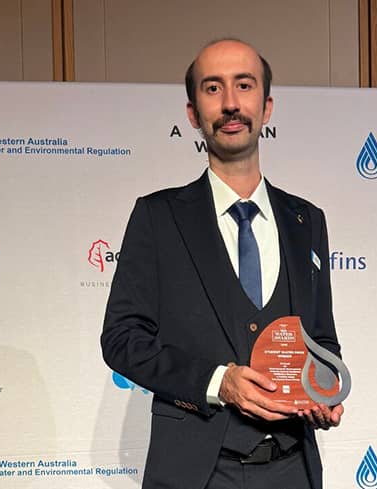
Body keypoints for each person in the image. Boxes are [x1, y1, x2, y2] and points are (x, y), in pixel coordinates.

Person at [101, 38, 344, 489]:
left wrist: (323, 392)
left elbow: (321, 337)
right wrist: (218, 382)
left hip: (294, 469)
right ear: (193, 114)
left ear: (266, 107)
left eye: (244, 86)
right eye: (213, 89)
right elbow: (121, 339)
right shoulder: (158, 217)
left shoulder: (307, 221)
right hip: (196, 473)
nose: (231, 104)